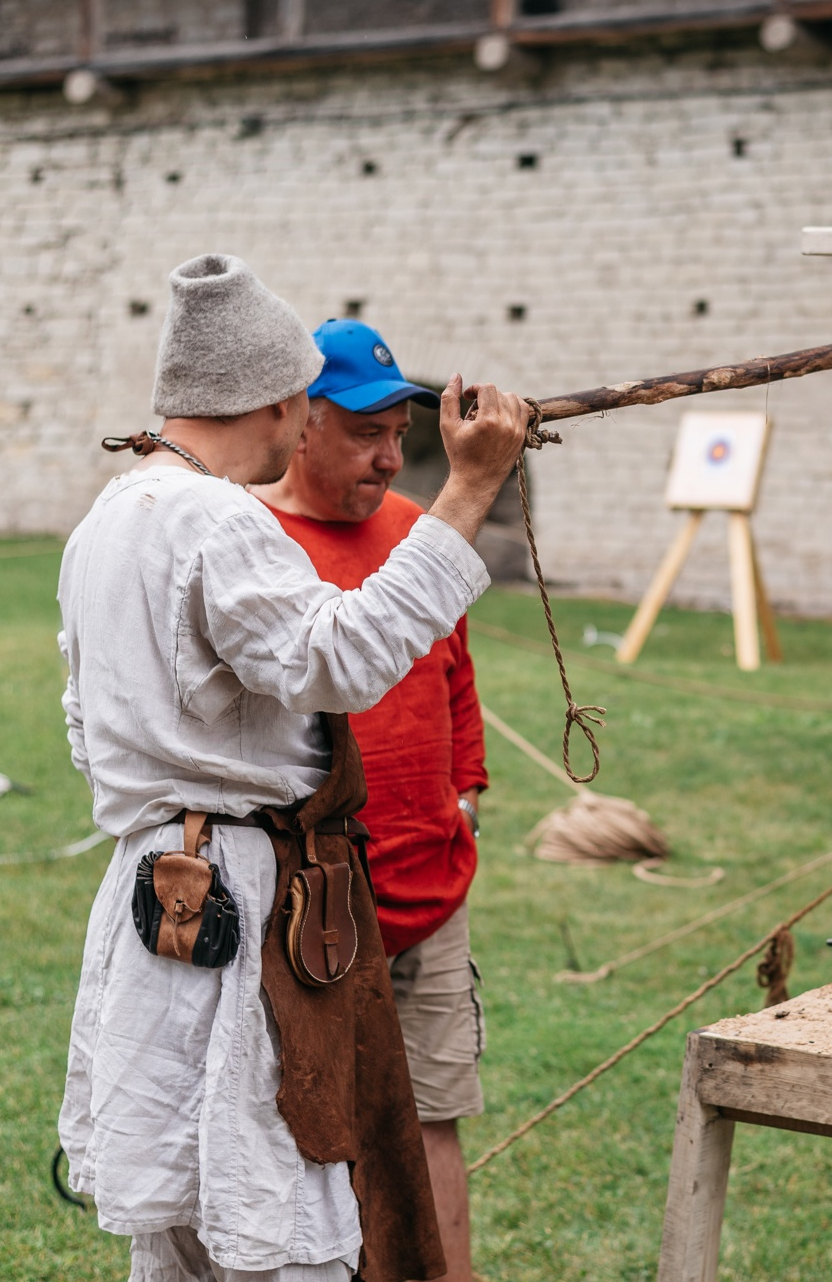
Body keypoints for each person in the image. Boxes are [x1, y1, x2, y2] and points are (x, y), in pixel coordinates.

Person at [56, 254, 528, 1282]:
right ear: (277, 401)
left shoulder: (108, 516)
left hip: (150, 883)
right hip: (244, 897)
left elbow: (83, 725)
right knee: (273, 1209)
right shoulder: (215, 516)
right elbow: (344, 660)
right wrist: (472, 488)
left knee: (183, 1209)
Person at [252, 319, 490, 1282]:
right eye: (366, 433)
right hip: (308, 913)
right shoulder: (251, 540)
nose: (393, 458)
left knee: (433, 1122)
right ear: (300, 421)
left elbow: (455, 674)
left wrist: (465, 792)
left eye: (401, 432)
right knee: (306, 1135)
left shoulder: (416, 532)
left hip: (430, 894)